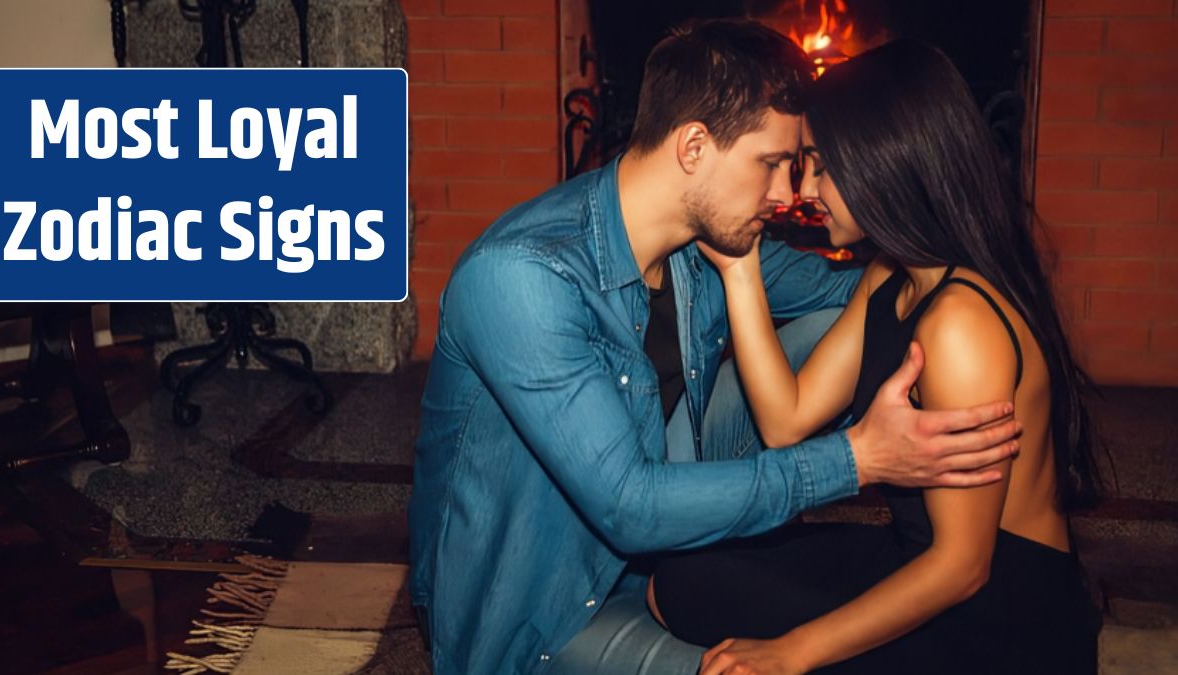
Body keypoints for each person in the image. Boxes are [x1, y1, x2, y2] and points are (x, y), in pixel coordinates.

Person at [409, 22, 1022, 675]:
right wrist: (857, 459)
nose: (789, 196)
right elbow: (630, 506)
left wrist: (981, 309)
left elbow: (868, 293)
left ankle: (882, 564)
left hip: (658, 548)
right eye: (770, 165)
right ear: (695, 147)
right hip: (543, 613)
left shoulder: (703, 244)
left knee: (857, 327)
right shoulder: (521, 278)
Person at [649, 39, 1104, 675]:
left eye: (818, 165)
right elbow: (787, 421)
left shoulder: (960, 326)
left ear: (881, 165)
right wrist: (740, 264)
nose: (803, 188)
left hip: (1003, 617)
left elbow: (963, 567)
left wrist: (792, 653)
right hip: (916, 556)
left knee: (711, 605)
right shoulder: (893, 274)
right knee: (681, 579)